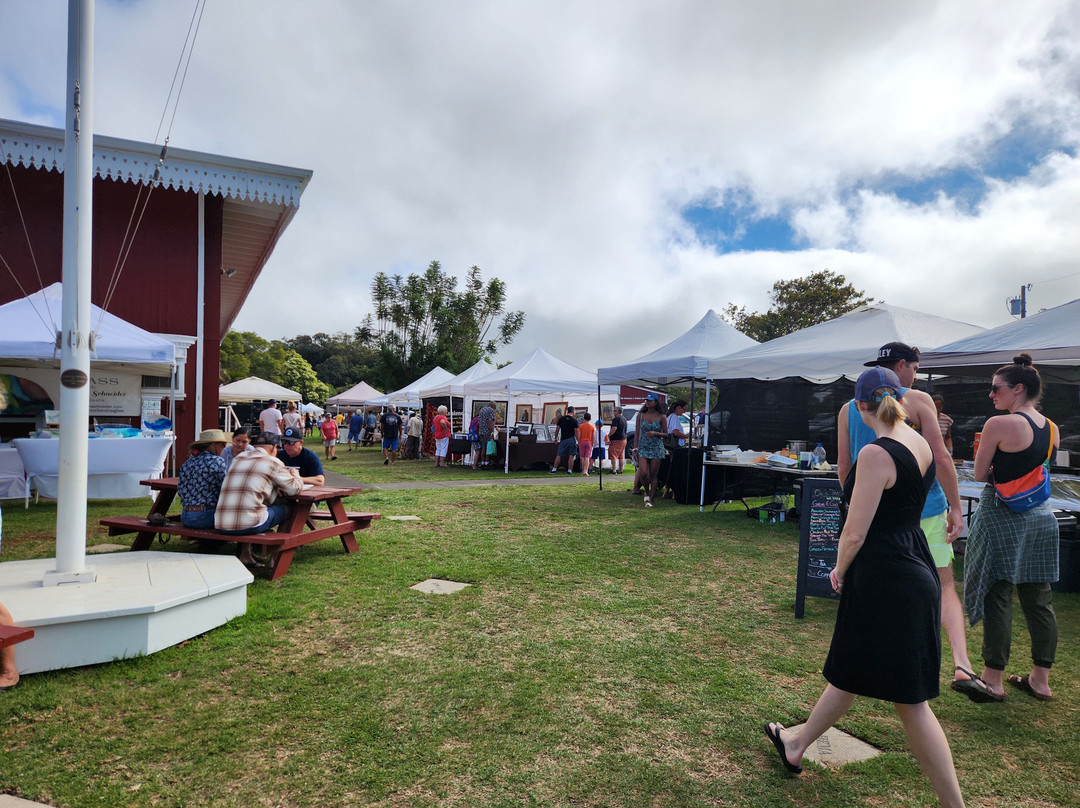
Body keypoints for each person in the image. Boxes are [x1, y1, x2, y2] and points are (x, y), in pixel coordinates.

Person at [765, 367, 964, 808]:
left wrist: (837, 569)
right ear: (901, 399)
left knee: (911, 703)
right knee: (851, 668)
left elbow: (855, 532)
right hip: (914, 565)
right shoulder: (920, 442)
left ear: (859, 407)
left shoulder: (877, 454)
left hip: (886, 574)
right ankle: (796, 744)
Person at [837, 342, 975, 695]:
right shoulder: (919, 402)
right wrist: (957, 507)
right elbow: (941, 458)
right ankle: (962, 664)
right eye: (914, 368)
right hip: (922, 512)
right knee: (942, 586)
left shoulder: (848, 409)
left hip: (873, 519)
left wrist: (855, 506)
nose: (915, 374)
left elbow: (845, 466)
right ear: (903, 367)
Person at [963, 353, 1059, 703]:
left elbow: (978, 472)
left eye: (995, 388)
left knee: (997, 590)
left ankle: (993, 679)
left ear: (1018, 389)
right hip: (1041, 514)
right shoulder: (1051, 426)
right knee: (1039, 596)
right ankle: (1040, 680)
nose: (991, 395)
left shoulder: (998, 424)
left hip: (1002, 511)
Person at [215, 432, 303, 567]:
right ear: (274, 448)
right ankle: (274, 559)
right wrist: (296, 475)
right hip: (249, 524)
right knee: (291, 509)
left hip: (221, 523)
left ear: (254, 446)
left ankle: (246, 555)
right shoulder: (273, 462)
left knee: (249, 505)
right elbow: (294, 489)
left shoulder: (239, 458)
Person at [177, 428, 229, 530]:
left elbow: (181, 490)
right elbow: (224, 488)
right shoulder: (217, 461)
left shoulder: (188, 463)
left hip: (185, 516)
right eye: (222, 445)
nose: (224, 448)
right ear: (213, 446)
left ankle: (205, 544)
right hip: (204, 516)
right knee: (239, 522)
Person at [636, 393, 667, 507]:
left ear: (655, 402)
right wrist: (635, 448)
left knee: (653, 474)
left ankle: (651, 499)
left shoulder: (661, 417)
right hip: (643, 446)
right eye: (646, 400)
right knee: (643, 473)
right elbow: (637, 432)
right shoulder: (641, 415)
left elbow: (666, 434)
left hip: (656, 447)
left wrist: (655, 433)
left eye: (650, 400)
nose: (647, 402)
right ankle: (647, 492)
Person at [550, 405, 579, 474]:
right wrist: (578, 440)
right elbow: (576, 431)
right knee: (571, 455)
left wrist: (556, 438)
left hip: (563, 439)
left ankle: (554, 469)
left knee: (559, 454)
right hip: (571, 439)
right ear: (573, 412)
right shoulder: (574, 420)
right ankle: (569, 470)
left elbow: (557, 429)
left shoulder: (561, 419)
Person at [606, 405, 628, 475]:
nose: (613, 412)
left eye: (614, 411)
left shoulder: (616, 419)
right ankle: (621, 470)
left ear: (617, 411)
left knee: (613, 454)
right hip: (624, 439)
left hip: (616, 439)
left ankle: (614, 470)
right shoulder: (624, 419)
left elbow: (614, 428)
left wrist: (608, 435)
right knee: (621, 455)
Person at [476, 401, 497, 469]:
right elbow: (490, 422)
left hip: (481, 431)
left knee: (483, 447)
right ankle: (487, 463)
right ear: (493, 406)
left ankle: (482, 462)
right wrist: (492, 432)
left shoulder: (482, 410)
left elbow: (479, 422)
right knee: (488, 447)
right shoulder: (491, 411)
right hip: (487, 431)